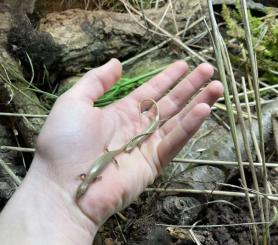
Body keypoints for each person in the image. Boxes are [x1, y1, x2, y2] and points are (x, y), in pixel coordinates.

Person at [0, 59, 223, 244]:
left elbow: (91, 176)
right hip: (110, 152)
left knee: (129, 145)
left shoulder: (88, 178)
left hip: (111, 152)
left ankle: (147, 127)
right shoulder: (88, 179)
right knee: (127, 146)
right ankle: (145, 129)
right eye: (81, 191)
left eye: (80, 190)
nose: (81, 190)